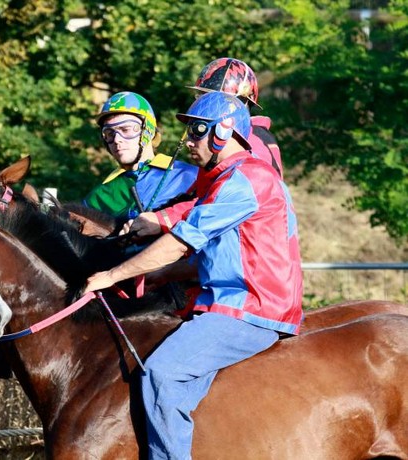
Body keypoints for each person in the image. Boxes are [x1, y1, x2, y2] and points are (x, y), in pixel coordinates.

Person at [84, 91, 303, 460]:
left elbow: (181, 241)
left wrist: (112, 274)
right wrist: (159, 272)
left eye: (198, 131)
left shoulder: (247, 178)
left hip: (250, 310)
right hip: (226, 304)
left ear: (224, 131)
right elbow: (220, 253)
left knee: (162, 373)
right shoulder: (226, 179)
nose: (187, 141)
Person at [125, 57, 285, 241]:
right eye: (200, 96)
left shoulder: (248, 142)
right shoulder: (238, 141)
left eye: (209, 98)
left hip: (250, 248)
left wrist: (163, 219)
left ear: (237, 102)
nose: (201, 105)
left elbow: (220, 202)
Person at [83, 91, 198, 221]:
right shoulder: (97, 198)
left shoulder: (189, 176)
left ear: (148, 130)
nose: (117, 140)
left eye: (125, 130)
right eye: (109, 133)